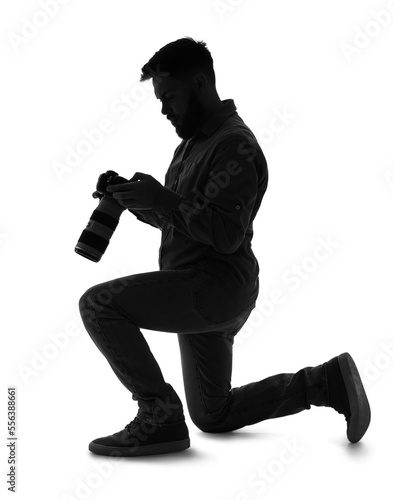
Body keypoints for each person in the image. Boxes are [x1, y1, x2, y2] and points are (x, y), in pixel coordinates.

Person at [79, 37, 370, 457]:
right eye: (159, 99)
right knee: (212, 413)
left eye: (170, 97)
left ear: (200, 83)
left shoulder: (235, 144)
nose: (164, 109)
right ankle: (324, 382)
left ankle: (157, 414)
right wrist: (134, 200)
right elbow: (179, 220)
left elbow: (225, 233)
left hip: (213, 286)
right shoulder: (191, 145)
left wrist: (161, 198)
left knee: (98, 305)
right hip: (193, 286)